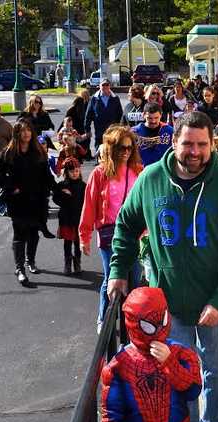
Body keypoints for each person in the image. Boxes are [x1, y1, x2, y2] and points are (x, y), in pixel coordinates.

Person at [106, 112, 218, 422]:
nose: (195, 151)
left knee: (216, 371)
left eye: (203, 144)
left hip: (215, 303)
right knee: (177, 381)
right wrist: (118, 270)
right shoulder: (151, 180)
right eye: (188, 143)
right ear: (175, 142)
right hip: (167, 308)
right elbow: (126, 225)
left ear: (212, 145)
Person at [98, 287, 202, 422]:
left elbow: (193, 390)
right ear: (135, 324)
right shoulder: (119, 366)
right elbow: (112, 412)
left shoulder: (181, 354)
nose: (158, 331)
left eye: (161, 321)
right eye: (149, 326)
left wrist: (170, 363)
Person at [79, 125, 143, 328]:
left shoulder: (138, 171)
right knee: (112, 277)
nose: (126, 152)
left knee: (134, 279)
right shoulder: (99, 174)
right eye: (121, 148)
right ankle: (104, 319)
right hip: (109, 234)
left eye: (129, 148)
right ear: (111, 149)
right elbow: (88, 206)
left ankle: (130, 324)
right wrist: (84, 235)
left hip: (135, 234)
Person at [0, 120, 56, 286]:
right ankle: (19, 268)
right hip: (18, 202)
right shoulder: (8, 152)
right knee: (20, 233)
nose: (26, 133)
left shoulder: (38, 152)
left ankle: (31, 261)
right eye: (22, 131)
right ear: (17, 133)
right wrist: (11, 187)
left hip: (37, 200)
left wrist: (58, 190)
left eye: (29, 130)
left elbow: (47, 176)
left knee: (34, 232)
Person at [53, 158, 86, 275]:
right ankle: (67, 263)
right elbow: (55, 199)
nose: (75, 173)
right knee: (67, 242)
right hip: (66, 218)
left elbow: (87, 202)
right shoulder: (62, 185)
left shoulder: (83, 186)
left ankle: (77, 262)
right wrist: (64, 196)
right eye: (72, 171)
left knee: (78, 243)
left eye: (77, 171)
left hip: (79, 219)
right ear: (66, 172)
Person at [85, 78, 124, 150]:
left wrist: (120, 128)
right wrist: (87, 129)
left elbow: (120, 114)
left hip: (112, 130)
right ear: (99, 86)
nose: (105, 87)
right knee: (99, 150)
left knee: (112, 150)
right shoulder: (94, 98)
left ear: (110, 86)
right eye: (103, 85)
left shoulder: (115, 98)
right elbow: (88, 115)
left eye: (107, 85)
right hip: (99, 130)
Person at [132, 102, 174, 168]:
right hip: (141, 171)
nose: (153, 121)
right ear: (143, 115)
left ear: (161, 115)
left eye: (156, 118)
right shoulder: (134, 132)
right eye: (150, 118)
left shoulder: (169, 131)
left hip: (162, 170)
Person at [65, 89, 92, 158]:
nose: (86, 98)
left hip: (80, 127)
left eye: (87, 96)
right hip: (78, 127)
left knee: (83, 140)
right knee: (82, 141)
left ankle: (85, 154)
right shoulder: (81, 104)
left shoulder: (86, 104)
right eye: (85, 96)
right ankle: (84, 154)